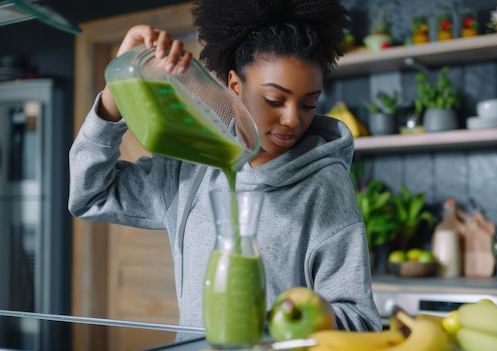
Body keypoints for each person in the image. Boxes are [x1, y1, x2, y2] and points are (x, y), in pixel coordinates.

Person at [68, 0, 382, 332]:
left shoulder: (324, 187)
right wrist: (115, 95)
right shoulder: (191, 165)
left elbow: (361, 321)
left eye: (309, 104)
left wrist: (279, 320)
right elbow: (90, 195)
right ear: (235, 86)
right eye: (274, 100)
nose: (292, 119)